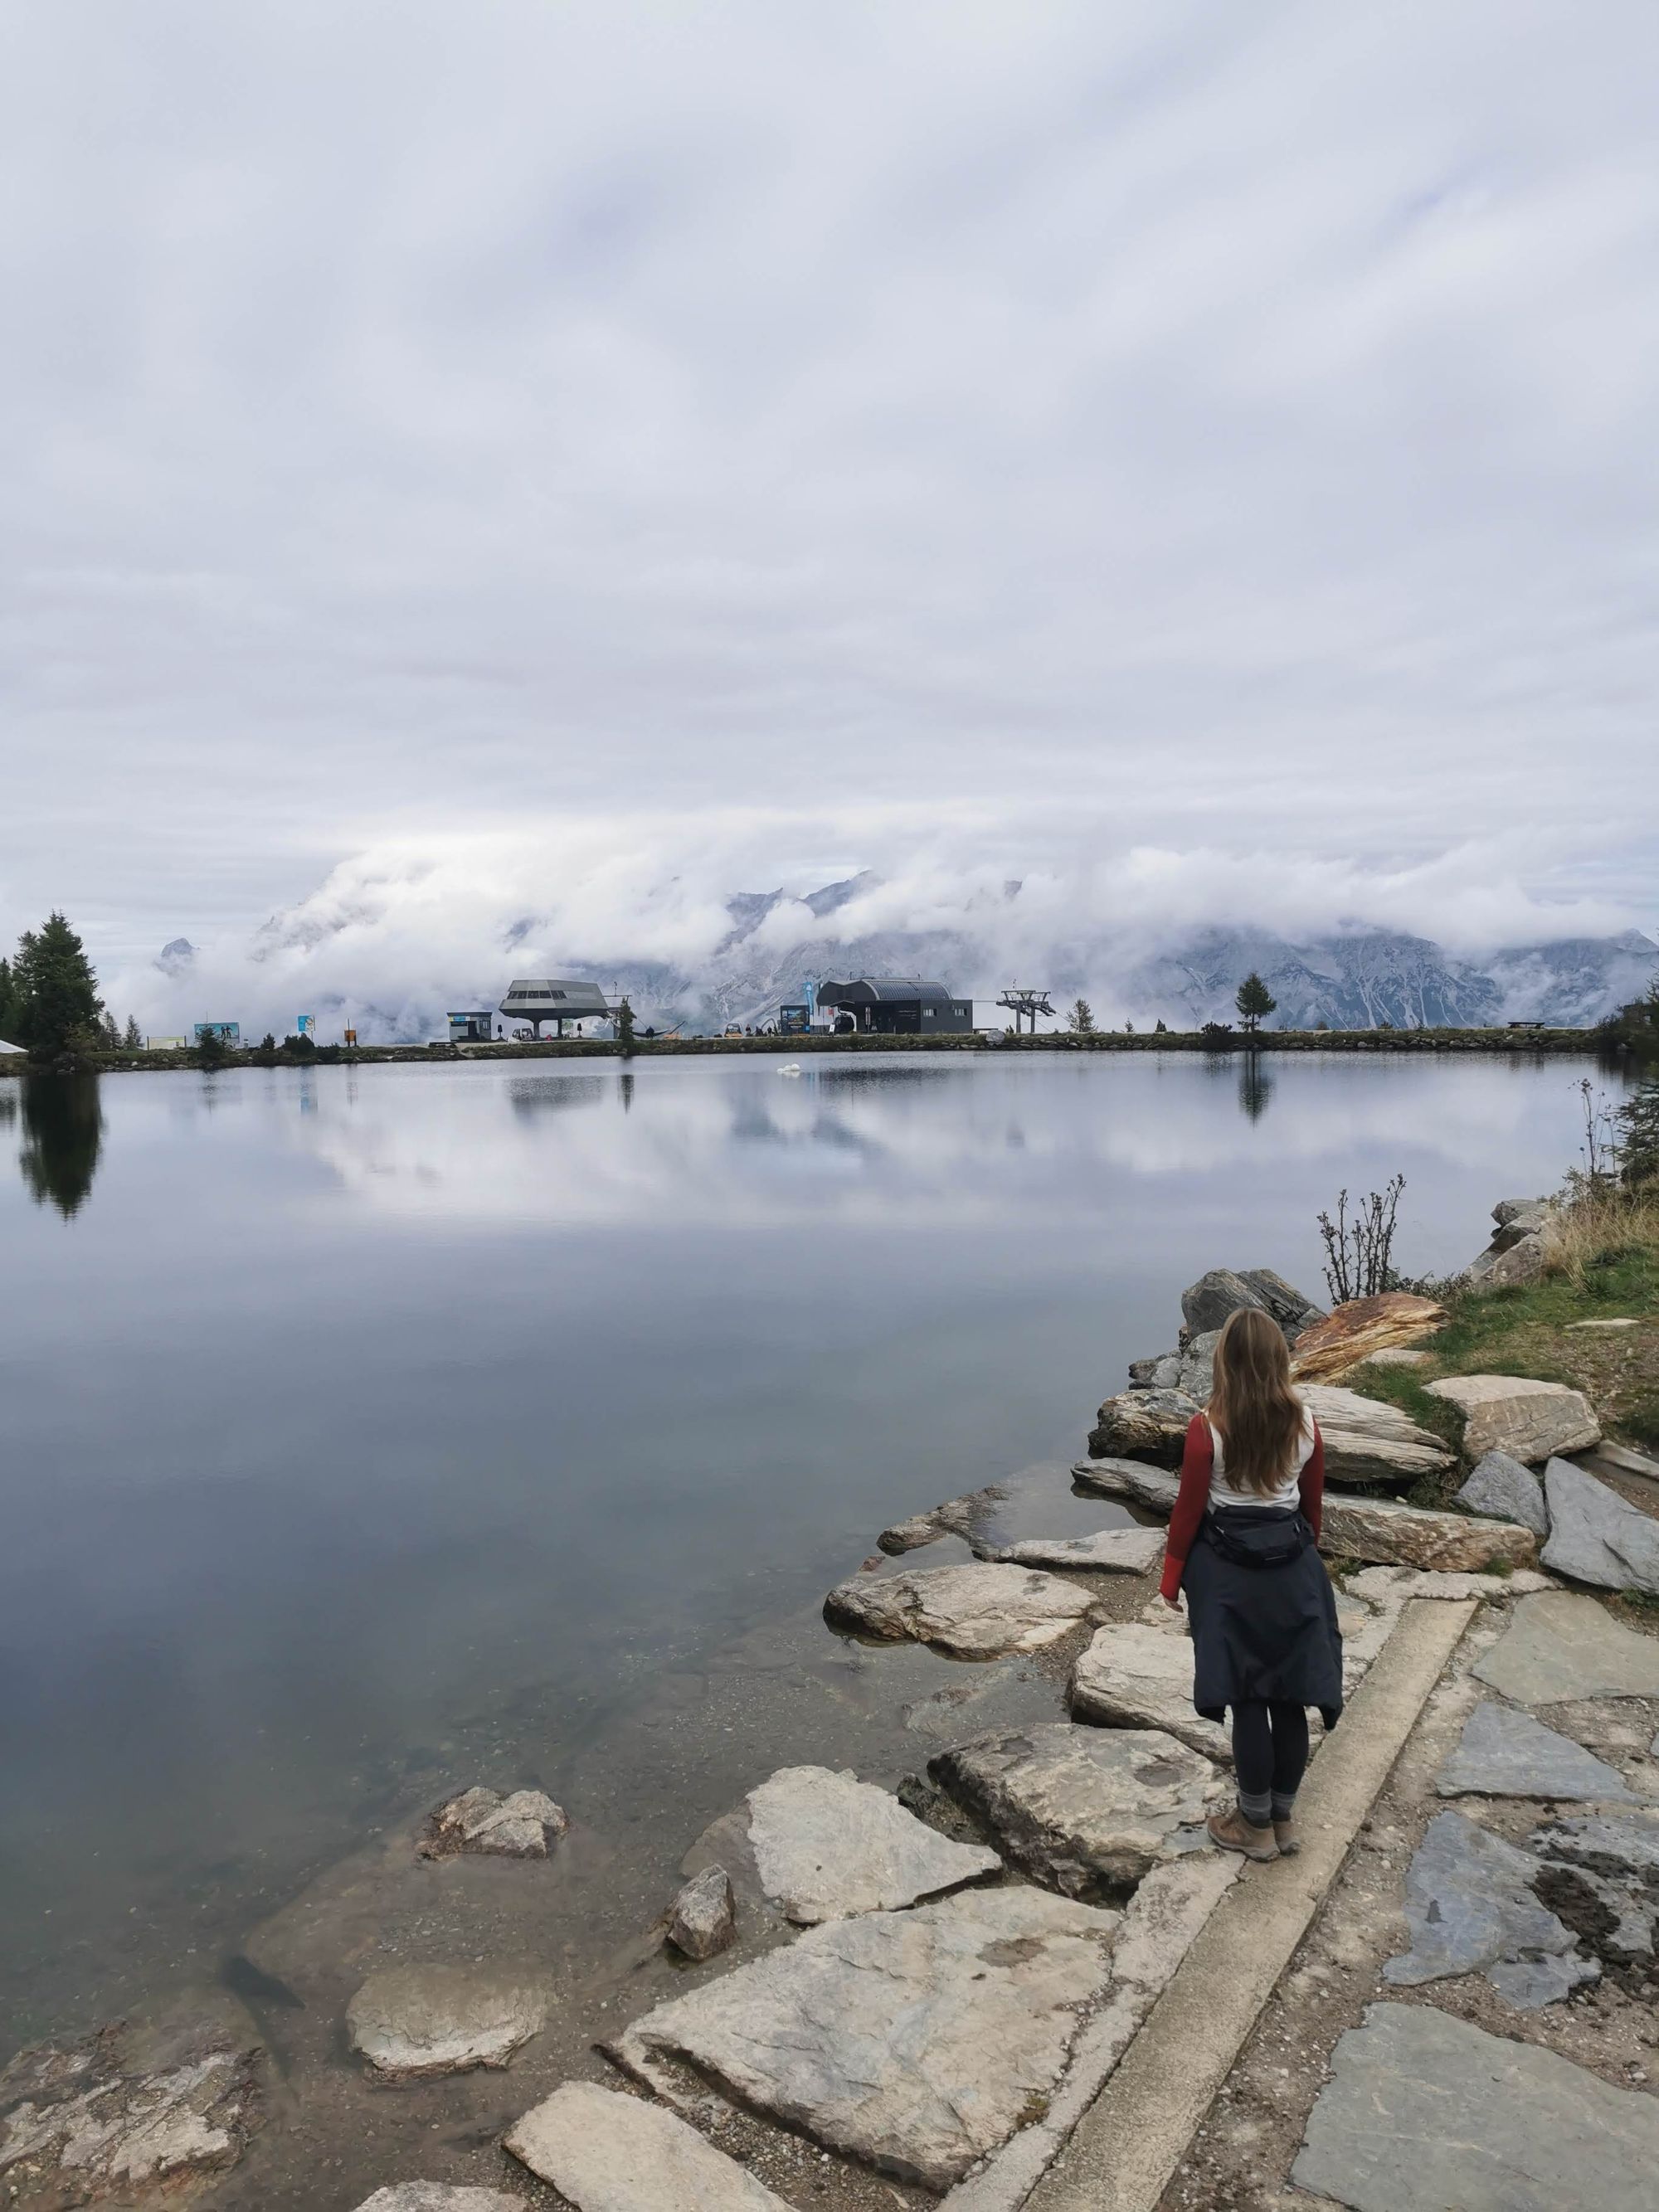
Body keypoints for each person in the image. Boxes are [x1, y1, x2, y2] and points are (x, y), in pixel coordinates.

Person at [1159, 1306, 1343, 1862]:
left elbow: (1188, 1514)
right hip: (1292, 1570)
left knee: (1248, 1699)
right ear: (1278, 1360)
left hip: (1231, 1576)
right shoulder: (1306, 1422)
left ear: (1226, 1361)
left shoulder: (1206, 1429)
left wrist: (1171, 1579)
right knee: (1291, 1699)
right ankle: (1283, 1820)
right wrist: (1303, 1563)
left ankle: (1253, 1824)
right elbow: (1311, 1509)